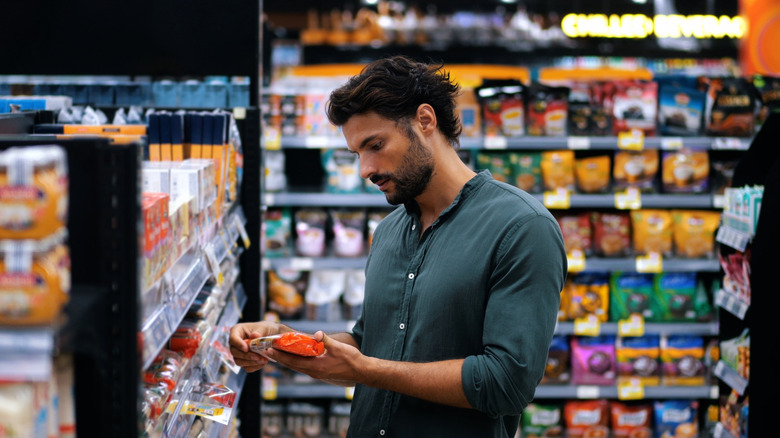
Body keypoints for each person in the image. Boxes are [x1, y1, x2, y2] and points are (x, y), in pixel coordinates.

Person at [230, 55, 567, 438]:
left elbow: (506, 383)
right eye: (358, 154)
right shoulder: (389, 230)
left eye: (375, 145)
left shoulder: (522, 227)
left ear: (425, 121)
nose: (365, 170)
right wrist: (285, 341)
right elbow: (368, 342)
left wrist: (366, 371)